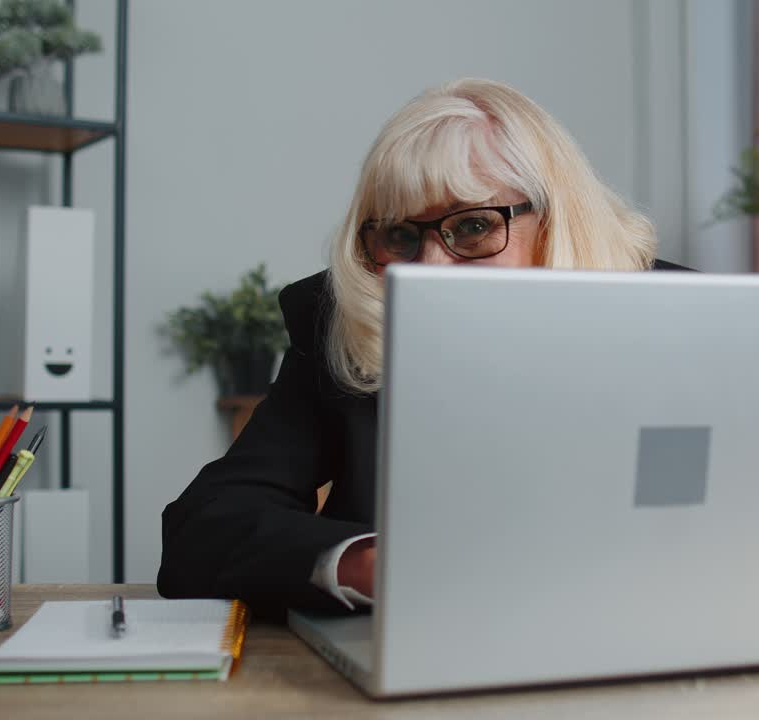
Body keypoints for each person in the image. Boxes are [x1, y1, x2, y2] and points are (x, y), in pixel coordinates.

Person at [158, 78, 687, 618]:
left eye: (474, 226)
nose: (431, 270)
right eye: (400, 237)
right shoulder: (345, 326)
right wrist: (365, 564)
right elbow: (205, 526)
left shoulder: (687, 318)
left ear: (555, 219)